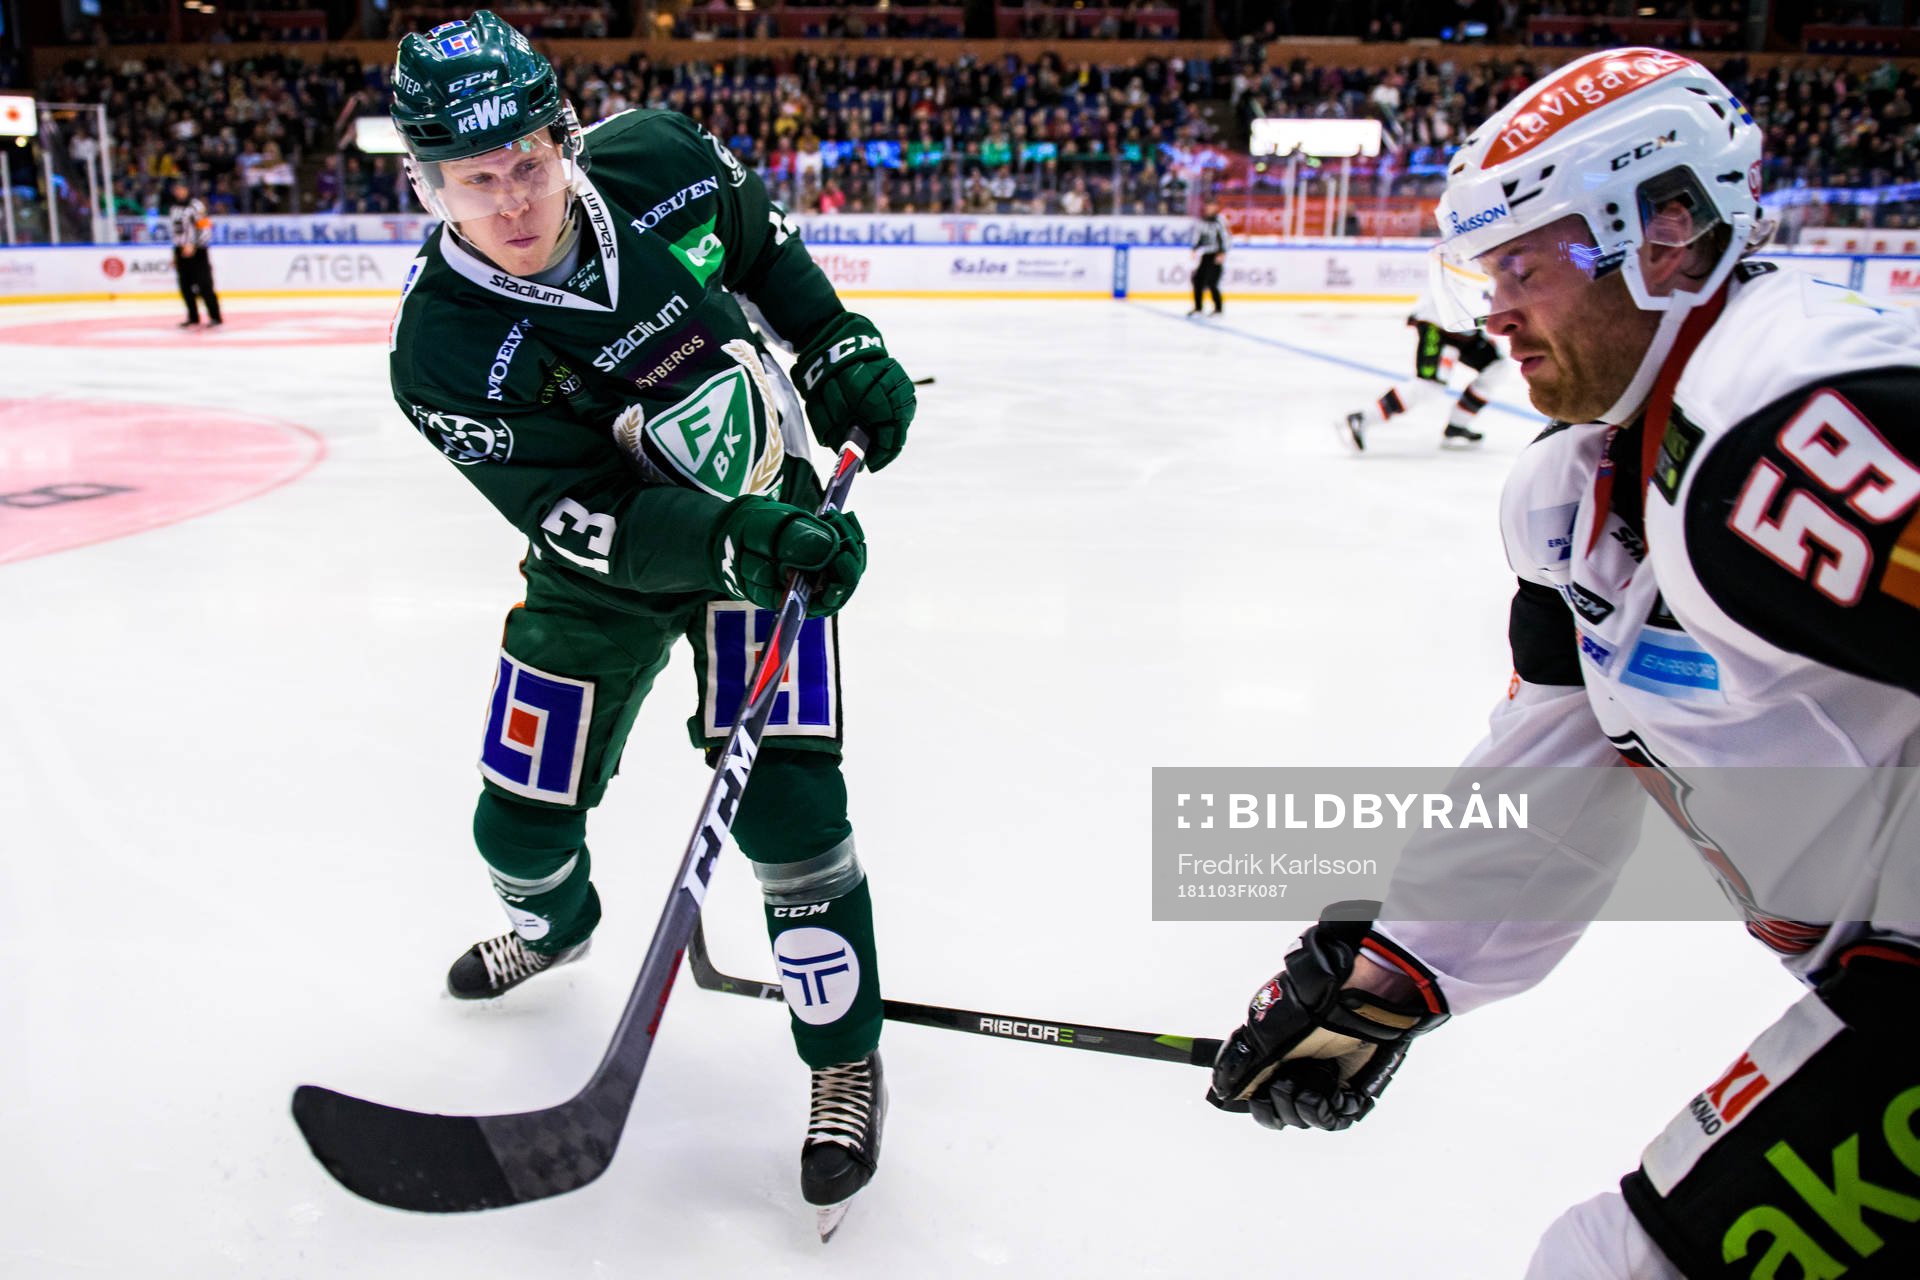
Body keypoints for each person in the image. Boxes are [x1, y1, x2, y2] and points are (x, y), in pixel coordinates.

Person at [1207, 47, 1920, 1278]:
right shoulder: (1577, 497)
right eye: (1487, 272)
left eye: (1526, 264)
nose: (1494, 311)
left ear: (1668, 229)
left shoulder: (1783, 427)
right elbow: (1547, 779)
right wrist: (1390, 974)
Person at [385, 11, 916, 1231]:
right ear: (428, 182)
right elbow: (577, 514)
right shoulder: (443, 349)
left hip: (764, 527)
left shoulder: (662, 158)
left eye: (528, 159)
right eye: (477, 179)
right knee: (512, 824)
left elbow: (762, 247)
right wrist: (732, 536)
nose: (514, 200)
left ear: (562, 135)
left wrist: (840, 344)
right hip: (605, 574)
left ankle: (842, 1055)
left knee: (791, 804)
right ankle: (555, 923)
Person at [1337, 278, 1506, 450]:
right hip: (1438, 323)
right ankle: (1362, 418)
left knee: (1496, 367)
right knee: (1428, 386)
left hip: (1465, 327)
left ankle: (1457, 425)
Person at [166, 178, 222, 328]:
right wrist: (175, 252)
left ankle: (215, 316)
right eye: (176, 188)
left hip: (198, 251)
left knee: (204, 284)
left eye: (181, 188)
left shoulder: (196, 206)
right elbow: (176, 232)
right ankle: (193, 316)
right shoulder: (173, 207)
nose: (179, 191)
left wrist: (194, 245)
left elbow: (205, 228)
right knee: (185, 286)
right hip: (181, 250)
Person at [1189, 197, 1229, 316]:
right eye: (1207, 206)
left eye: (1211, 206)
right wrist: (1195, 249)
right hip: (1206, 254)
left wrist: (1222, 252)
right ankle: (1198, 308)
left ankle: (1218, 308)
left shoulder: (1219, 221)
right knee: (1198, 280)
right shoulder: (1203, 221)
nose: (1209, 208)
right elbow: (1200, 237)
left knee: (1212, 281)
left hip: (1216, 254)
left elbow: (1225, 237)